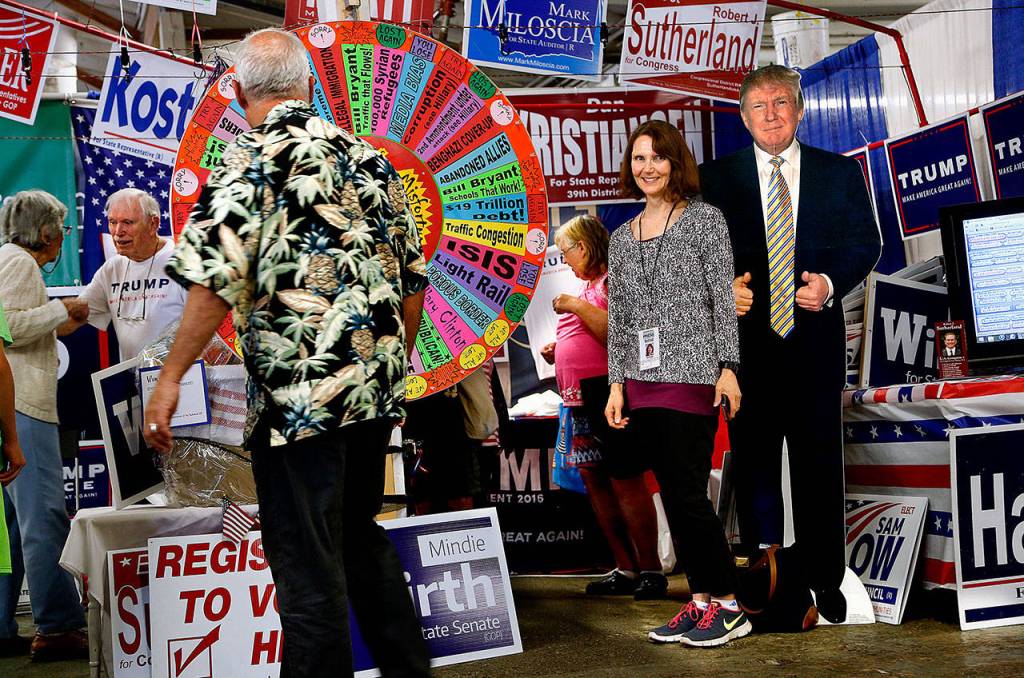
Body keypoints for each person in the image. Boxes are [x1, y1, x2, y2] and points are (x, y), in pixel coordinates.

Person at [142, 29, 430, 677]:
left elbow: (216, 278)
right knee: (359, 538)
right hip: (374, 390)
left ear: (239, 89)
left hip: (299, 401)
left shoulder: (251, 161)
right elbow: (412, 283)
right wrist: (387, 376)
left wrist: (169, 379)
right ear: (308, 86)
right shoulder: (373, 160)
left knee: (306, 566)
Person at [699, 65, 882, 623]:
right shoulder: (714, 180)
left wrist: (829, 284)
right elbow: (696, 257)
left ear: (800, 111)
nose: (772, 114)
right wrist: (721, 288)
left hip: (814, 346)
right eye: (760, 105)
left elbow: (867, 243)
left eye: (782, 103)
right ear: (744, 116)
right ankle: (764, 581)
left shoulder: (840, 173)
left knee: (819, 465)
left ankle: (826, 582)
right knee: (754, 463)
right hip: (745, 353)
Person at [605, 120, 748, 647]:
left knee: (688, 495)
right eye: (639, 158)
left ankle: (731, 604)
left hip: (693, 374)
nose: (648, 167)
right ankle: (701, 601)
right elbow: (620, 315)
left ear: (675, 163)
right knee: (672, 495)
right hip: (642, 382)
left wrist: (729, 367)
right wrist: (618, 383)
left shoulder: (706, 221)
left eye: (658, 158)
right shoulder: (622, 237)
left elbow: (721, 300)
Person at [542, 215, 665, 600]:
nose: (566, 260)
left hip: (610, 394)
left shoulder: (612, 281)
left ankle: (650, 569)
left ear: (585, 246)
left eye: (567, 252)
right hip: (578, 399)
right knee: (596, 482)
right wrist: (557, 350)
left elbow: (620, 334)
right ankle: (624, 566)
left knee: (625, 479)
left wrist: (576, 307)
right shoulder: (590, 286)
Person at [0, 190, 90, 661]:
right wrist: (61, 310)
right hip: (23, 404)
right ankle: (57, 627)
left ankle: (4, 624)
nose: (62, 235)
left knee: (15, 528)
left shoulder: (8, 259)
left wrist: (61, 323)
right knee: (44, 519)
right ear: (47, 233)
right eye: (61, 226)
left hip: (14, 401)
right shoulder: (19, 262)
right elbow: (7, 325)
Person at [79, 188, 187, 360]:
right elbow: (76, 314)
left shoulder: (184, 261)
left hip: (183, 379)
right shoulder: (112, 268)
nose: (117, 231)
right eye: (112, 222)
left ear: (153, 224)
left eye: (127, 222)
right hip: (135, 382)